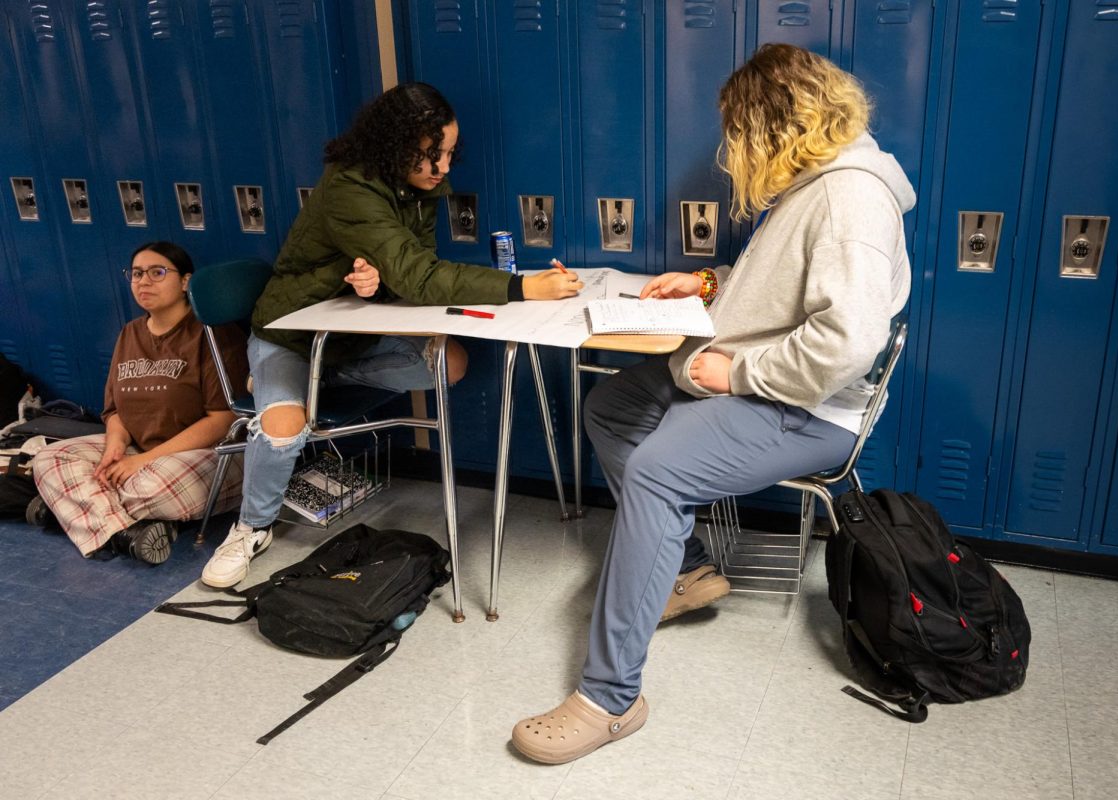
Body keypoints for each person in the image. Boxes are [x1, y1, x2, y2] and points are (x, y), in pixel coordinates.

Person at [511, 44, 915, 764]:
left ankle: (610, 698)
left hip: (809, 406)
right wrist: (708, 283)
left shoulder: (850, 196)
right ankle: (686, 569)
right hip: (751, 370)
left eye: (737, 131)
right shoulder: (815, 181)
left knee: (660, 467)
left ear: (773, 126)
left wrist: (742, 372)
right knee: (611, 411)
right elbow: (788, 280)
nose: (732, 150)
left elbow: (847, 340)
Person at [201, 82, 582, 588]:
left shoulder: (417, 188)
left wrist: (376, 287)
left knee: (450, 363)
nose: (444, 167)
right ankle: (251, 526)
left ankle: (306, 383)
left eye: (448, 153)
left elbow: (407, 275)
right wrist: (522, 286)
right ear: (396, 145)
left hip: (345, 342)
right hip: (290, 335)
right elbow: (420, 276)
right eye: (432, 155)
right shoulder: (349, 189)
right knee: (286, 428)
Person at [31, 242, 248, 563]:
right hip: (139, 451)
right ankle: (125, 533)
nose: (144, 282)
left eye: (157, 273)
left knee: (148, 487)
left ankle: (73, 512)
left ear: (186, 281)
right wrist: (114, 448)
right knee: (49, 458)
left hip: (209, 454)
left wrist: (141, 462)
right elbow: (115, 411)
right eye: (136, 274)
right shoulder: (129, 333)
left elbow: (222, 420)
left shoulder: (213, 333)